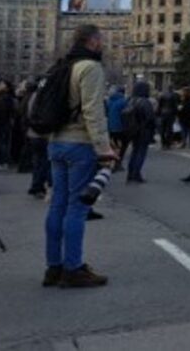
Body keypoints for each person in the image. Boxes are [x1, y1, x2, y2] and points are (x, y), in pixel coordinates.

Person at [44, 25, 117, 288]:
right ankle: (73, 268)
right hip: (79, 144)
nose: (103, 44)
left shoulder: (62, 66)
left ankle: (54, 267)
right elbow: (93, 112)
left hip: (56, 143)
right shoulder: (90, 68)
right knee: (77, 207)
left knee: (57, 206)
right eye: (102, 39)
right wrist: (104, 149)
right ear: (93, 41)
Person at [122, 81, 156, 184]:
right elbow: (150, 118)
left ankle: (130, 173)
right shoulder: (145, 102)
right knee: (141, 153)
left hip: (133, 130)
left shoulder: (131, 100)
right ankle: (136, 174)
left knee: (134, 152)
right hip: (144, 130)